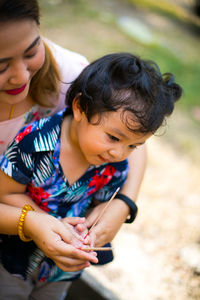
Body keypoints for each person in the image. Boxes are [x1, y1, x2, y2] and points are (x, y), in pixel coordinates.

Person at [0, 52, 182, 299]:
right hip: (12, 262)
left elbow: (105, 203)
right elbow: (6, 193)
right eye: (114, 137)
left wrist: (98, 226)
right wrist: (47, 224)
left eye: (133, 146)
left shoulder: (113, 165)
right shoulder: (35, 142)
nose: (119, 152)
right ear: (79, 108)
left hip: (61, 270)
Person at [0, 0, 148, 264]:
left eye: (32, 50)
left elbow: (130, 130)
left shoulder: (69, 73)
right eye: (1, 66)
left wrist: (124, 203)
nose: (21, 77)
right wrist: (31, 223)